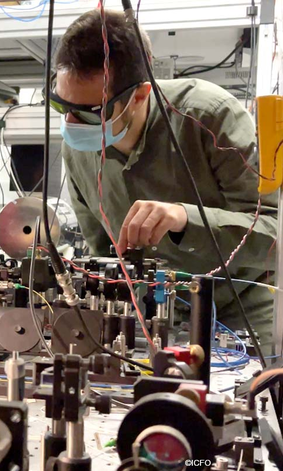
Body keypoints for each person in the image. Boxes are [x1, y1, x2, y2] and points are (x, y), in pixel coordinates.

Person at [52, 9, 277, 347]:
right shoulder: (78, 149)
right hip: (153, 321)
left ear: (140, 95)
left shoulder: (209, 118)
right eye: (60, 106)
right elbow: (105, 254)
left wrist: (184, 219)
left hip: (242, 313)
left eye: (90, 112)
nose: (72, 123)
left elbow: (273, 234)